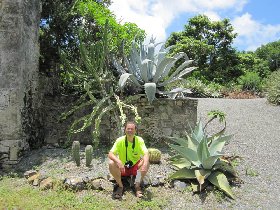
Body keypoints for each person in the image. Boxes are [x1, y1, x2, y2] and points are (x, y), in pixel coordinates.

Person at [108, 121, 149, 199]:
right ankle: (120, 186)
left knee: (145, 162)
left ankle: (137, 186)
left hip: (135, 167)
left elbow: (146, 153)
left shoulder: (139, 140)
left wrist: (145, 163)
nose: (130, 130)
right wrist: (118, 161)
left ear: (135, 130)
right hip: (122, 168)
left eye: (132, 129)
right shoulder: (120, 140)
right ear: (125, 130)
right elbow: (110, 153)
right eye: (128, 129)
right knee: (111, 163)